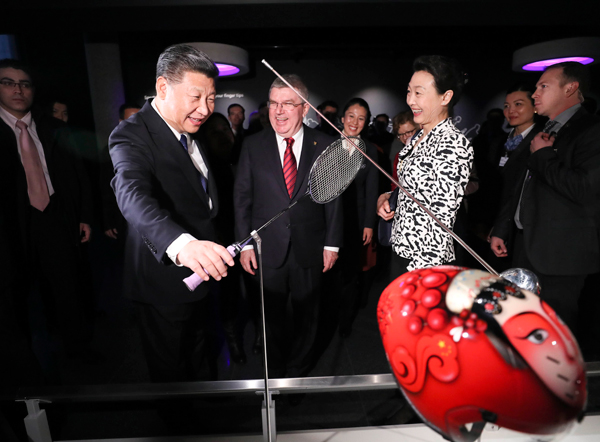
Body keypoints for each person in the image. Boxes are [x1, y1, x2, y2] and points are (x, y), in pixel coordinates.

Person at [109, 44, 234, 384]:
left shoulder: (193, 130)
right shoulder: (131, 134)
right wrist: (181, 244)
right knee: (171, 371)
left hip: (203, 274)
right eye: (196, 97)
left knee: (200, 351)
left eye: (211, 99)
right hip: (162, 279)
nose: (206, 109)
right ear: (163, 88)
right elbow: (131, 194)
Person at [234, 74, 342, 378]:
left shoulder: (327, 145)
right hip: (265, 248)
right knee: (270, 319)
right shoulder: (253, 145)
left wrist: (331, 244)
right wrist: (243, 244)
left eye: (287, 104)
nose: (279, 111)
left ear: (304, 108)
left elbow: (333, 200)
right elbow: (242, 198)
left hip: (310, 246)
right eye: (273, 104)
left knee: (309, 317)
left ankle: (298, 371)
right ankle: (277, 374)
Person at [489, 62, 600, 333]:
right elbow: (522, 187)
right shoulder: (547, 129)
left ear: (571, 88)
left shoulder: (591, 129)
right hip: (527, 245)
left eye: (543, 86)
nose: (535, 93)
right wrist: (503, 227)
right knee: (526, 326)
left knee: (555, 331)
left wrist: (543, 156)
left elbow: (583, 189)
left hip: (561, 254)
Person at [0, 58, 95, 361]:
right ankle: (23, 365)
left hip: (54, 215)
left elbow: (78, 174)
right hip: (11, 224)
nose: (18, 89)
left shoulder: (52, 127)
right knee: (14, 296)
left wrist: (84, 216)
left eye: (24, 83)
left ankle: (79, 353)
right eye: (8, 82)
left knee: (67, 287)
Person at [377, 55, 473, 277]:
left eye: (418, 93)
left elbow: (441, 223)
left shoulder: (452, 143)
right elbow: (418, 190)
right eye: (409, 91)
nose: (410, 100)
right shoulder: (419, 136)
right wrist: (388, 197)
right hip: (403, 250)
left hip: (424, 264)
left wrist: (419, 280)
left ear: (445, 97)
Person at [336, 98, 379, 336]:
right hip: (329, 220)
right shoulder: (326, 143)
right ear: (343, 118)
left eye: (361, 118)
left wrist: (368, 224)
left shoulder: (369, 150)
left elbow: (372, 189)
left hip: (355, 221)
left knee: (351, 275)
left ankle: (345, 321)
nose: (355, 122)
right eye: (351, 116)